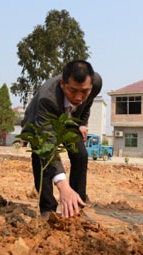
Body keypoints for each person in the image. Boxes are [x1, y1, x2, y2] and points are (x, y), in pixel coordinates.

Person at [21, 60, 102, 219]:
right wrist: (63, 186)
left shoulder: (96, 83)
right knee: (41, 156)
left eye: (84, 91)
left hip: (69, 119)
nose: (79, 97)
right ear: (62, 83)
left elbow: (88, 103)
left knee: (80, 155)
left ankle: (76, 206)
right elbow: (48, 144)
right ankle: (47, 209)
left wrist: (82, 123)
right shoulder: (47, 98)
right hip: (40, 121)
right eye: (73, 91)